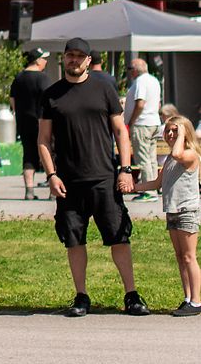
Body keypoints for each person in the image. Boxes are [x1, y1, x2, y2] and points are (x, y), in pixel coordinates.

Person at [38, 37, 147, 318]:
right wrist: (51, 175)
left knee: (119, 237)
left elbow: (121, 132)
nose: (74, 60)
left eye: (79, 56)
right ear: (64, 58)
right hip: (69, 182)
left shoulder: (104, 87)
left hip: (104, 178)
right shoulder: (52, 94)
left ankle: (132, 295)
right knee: (74, 240)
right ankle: (81, 296)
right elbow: (43, 140)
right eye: (69, 55)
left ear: (88, 60)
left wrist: (124, 169)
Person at [128, 116, 201, 317]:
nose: (169, 135)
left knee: (189, 256)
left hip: (187, 210)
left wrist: (182, 134)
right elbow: (156, 184)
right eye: (167, 131)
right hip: (172, 210)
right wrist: (132, 188)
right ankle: (187, 298)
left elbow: (178, 152)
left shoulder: (189, 154)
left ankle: (196, 301)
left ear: (185, 133)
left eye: (174, 131)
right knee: (180, 257)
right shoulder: (170, 158)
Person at [11, 48, 52, 200]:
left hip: (24, 122)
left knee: (29, 154)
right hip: (43, 122)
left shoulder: (19, 77)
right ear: (37, 60)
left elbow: (12, 101)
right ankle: (52, 191)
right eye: (44, 59)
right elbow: (50, 101)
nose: (46, 61)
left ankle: (29, 190)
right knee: (49, 152)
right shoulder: (44, 78)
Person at [124, 58, 162, 203]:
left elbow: (140, 103)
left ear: (134, 70)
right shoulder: (153, 80)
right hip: (153, 122)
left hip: (142, 124)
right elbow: (157, 104)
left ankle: (149, 191)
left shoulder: (140, 81)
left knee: (144, 159)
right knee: (151, 159)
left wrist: (132, 121)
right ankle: (153, 188)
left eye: (129, 69)